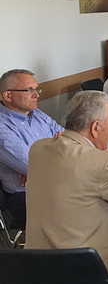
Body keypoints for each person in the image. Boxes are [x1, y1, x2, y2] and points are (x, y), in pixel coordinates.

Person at [25, 91, 108, 284]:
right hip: (92, 274)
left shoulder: (37, 149)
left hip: (40, 271)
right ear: (95, 127)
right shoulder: (99, 161)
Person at [0, 69, 64, 226]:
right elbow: (34, 166)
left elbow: (71, 141)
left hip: (53, 182)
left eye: (37, 89)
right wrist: (38, 169)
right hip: (25, 195)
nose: (36, 95)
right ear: (8, 96)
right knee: (86, 205)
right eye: (29, 90)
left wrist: (36, 171)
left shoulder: (37, 114)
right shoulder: (2, 127)